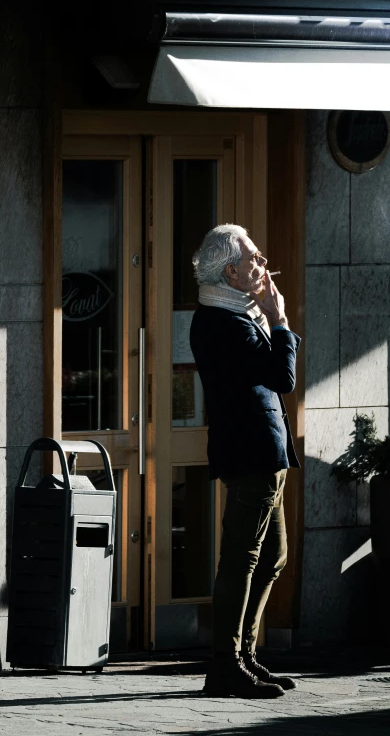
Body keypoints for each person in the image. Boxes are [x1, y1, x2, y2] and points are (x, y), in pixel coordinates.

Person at [190, 224, 301, 699]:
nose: (262, 263)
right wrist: (279, 320)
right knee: (242, 557)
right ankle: (225, 664)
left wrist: (268, 317)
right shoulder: (221, 322)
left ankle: (244, 655)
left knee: (273, 555)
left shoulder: (237, 312)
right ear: (231, 271)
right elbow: (282, 377)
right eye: (254, 258)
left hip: (266, 452)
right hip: (250, 454)